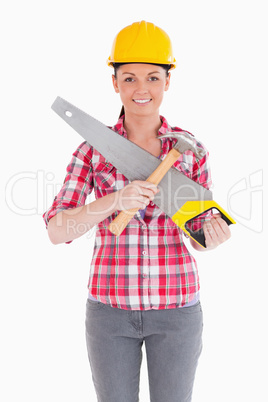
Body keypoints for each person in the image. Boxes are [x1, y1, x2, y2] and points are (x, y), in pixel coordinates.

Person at [43, 21, 231, 402]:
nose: (141, 89)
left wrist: (212, 237)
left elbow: (199, 237)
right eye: (129, 78)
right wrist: (115, 200)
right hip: (109, 311)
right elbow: (58, 230)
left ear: (167, 81)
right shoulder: (92, 151)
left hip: (177, 307)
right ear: (115, 83)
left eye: (152, 77)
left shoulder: (191, 151)